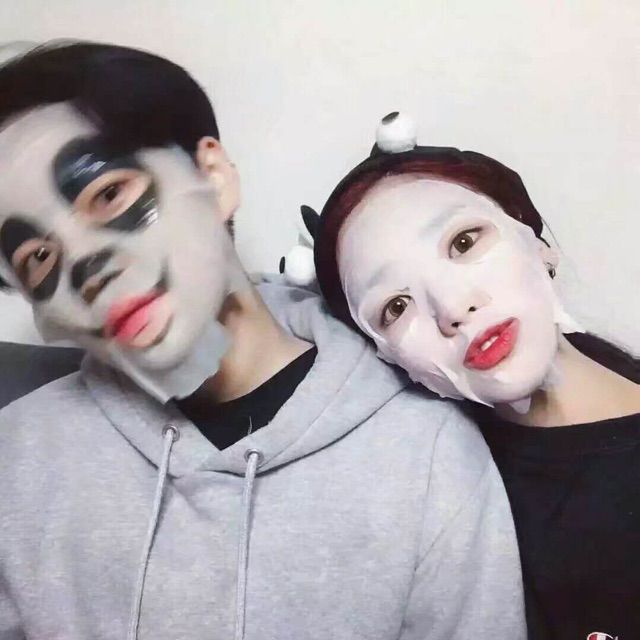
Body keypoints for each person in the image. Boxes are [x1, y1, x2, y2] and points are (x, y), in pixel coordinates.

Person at [0, 44, 526, 639]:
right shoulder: (17, 458)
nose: (86, 268)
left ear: (213, 177)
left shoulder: (423, 454)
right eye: (38, 257)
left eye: (108, 195)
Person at [306, 111, 640, 640]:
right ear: (389, 359)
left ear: (539, 244)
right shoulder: (458, 525)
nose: (452, 308)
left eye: (463, 243)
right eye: (395, 307)